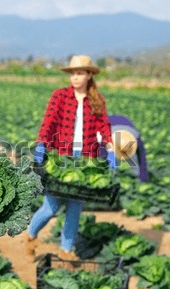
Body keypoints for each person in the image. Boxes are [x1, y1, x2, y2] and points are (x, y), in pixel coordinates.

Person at [27, 55, 115, 258]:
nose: (75, 77)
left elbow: (104, 127)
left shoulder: (97, 100)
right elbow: (48, 122)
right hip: (61, 159)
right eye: (73, 73)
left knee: (74, 211)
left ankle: (66, 251)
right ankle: (31, 234)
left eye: (80, 73)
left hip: (85, 161)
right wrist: (41, 144)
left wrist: (110, 149)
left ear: (89, 74)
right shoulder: (60, 96)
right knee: (51, 207)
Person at [108, 114, 149, 182]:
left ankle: (114, 178)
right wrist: (143, 175)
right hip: (124, 133)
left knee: (112, 167)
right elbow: (141, 154)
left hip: (116, 133)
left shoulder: (135, 137)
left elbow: (141, 153)